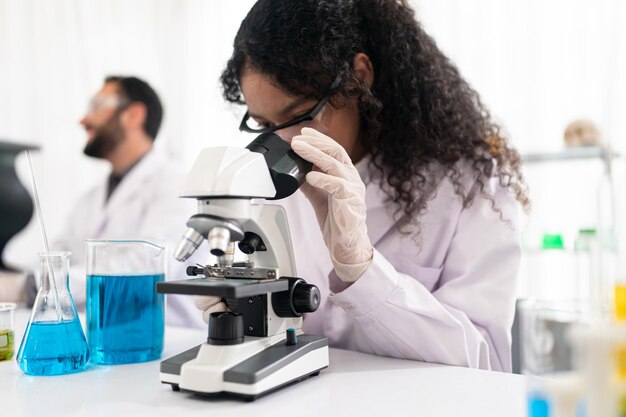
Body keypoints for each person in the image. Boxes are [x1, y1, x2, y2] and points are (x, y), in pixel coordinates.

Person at [195, 0, 530, 372]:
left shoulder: (472, 184)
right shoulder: (270, 182)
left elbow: (485, 360)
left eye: (297, 115)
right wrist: (245, 313)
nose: (284, 140)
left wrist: (362, 270)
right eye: (264, 124)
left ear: (358, 77)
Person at [7, 76, 203, 328]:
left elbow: (150, 263)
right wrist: (15, 274)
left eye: (97, 106)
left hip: (170, 338)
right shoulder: (90, 198)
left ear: (133, 115)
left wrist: (30, 286)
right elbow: (59, 255)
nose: (83, 119)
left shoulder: (176, 185)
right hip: (102, 333)